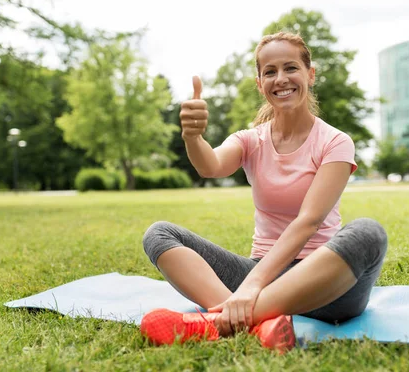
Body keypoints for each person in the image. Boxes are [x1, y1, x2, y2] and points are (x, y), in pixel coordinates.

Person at [140, 32, 387, 352]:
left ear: (310, 75)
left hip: (324, 287)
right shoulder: (250, 140)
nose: (281, 78)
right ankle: (256, 322)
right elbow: (210, 166)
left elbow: (308, 221)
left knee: (369, 233)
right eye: (270, 71)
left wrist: (252, 286)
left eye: (291, 68)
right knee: (159, 234)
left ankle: (219, 321)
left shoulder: (335, 142)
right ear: (260, 83)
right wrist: (192, 137)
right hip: (261, 275)